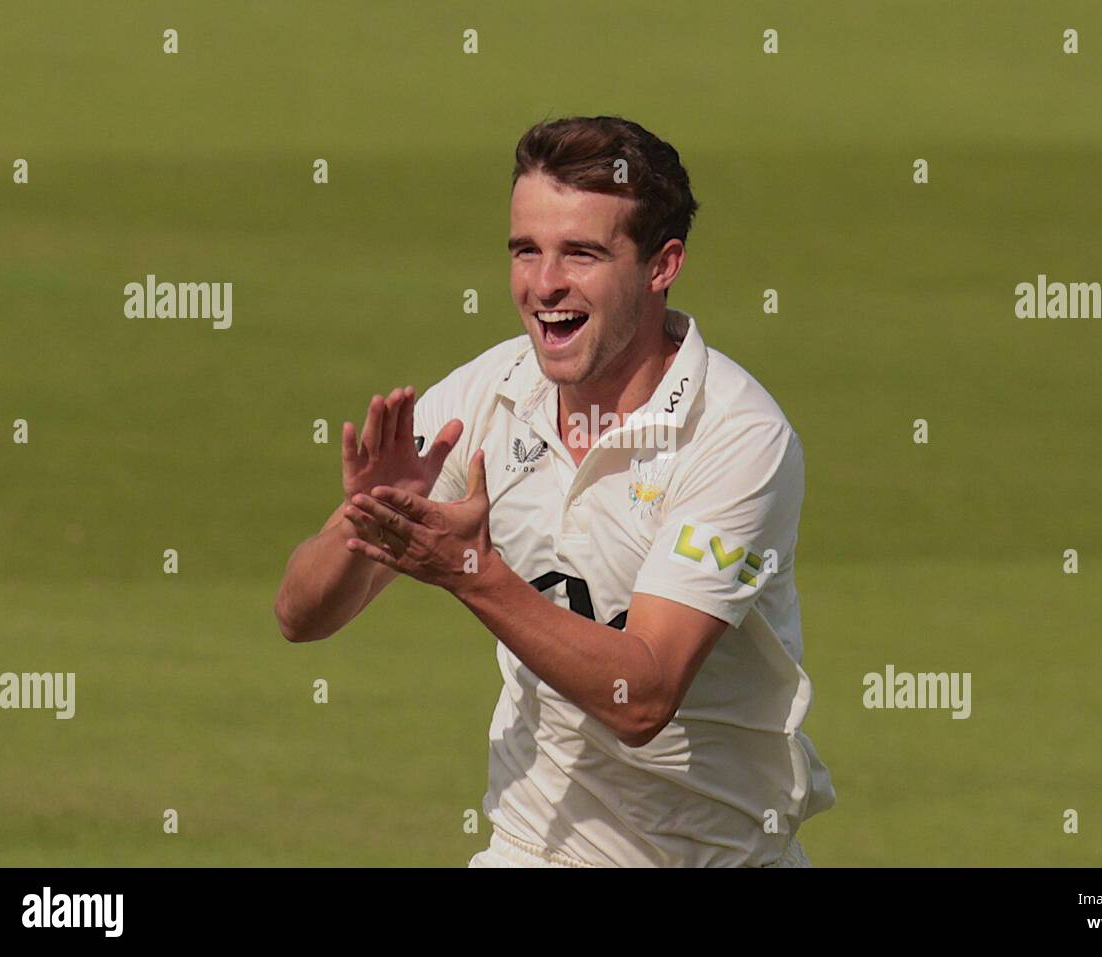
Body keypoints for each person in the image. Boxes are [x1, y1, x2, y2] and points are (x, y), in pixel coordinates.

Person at [274, 115, 834, 867]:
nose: (544, 285)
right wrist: (363, 525)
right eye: (525, 251)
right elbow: (298, 616)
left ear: (662, 265)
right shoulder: (491, 393)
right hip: (533, 847)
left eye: (582, 253)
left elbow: (645, 693)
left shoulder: (737, 438)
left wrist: (471, 572)